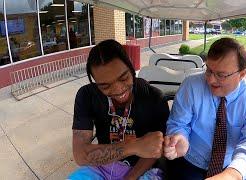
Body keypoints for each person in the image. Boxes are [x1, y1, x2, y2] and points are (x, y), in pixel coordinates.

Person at [163, 37, 246, 180]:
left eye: (221, 75)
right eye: (208, 70)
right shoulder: (191, 85)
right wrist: (180, 137)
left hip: (231, 166)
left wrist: (233, 174)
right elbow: (178, 123)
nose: (211, 80)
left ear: (242, 74)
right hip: (190, 161)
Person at [68, 39, 170, 180]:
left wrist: (129, 178)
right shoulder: (86, 95)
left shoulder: (154, 97)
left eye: (123, 78)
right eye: (105, 86)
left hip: (143, 170)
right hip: (102, 166)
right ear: (95, 82)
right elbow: (80, 155)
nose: (117, 90)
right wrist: (134, 146)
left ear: (131, 68)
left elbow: (155, 149)